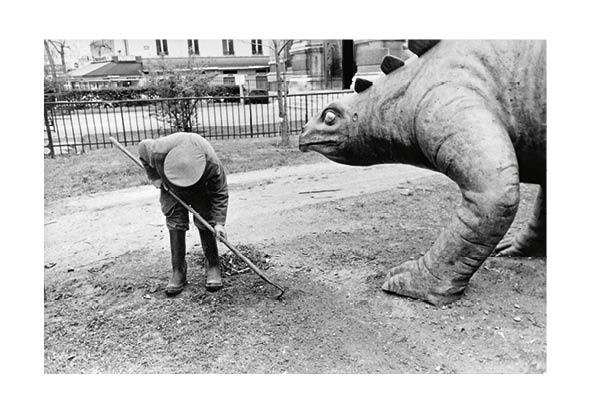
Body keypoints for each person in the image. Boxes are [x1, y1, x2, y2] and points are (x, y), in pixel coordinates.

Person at [138, 132, 229, 296]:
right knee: (175, 221)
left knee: (205, 221)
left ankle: (213, 266)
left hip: (201, 188)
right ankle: (178, 270)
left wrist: (219, 223)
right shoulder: (157, 151)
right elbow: (142, 148)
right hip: (170, 186)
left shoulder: (211, 164)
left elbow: (220, 193)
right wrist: (154, 177)